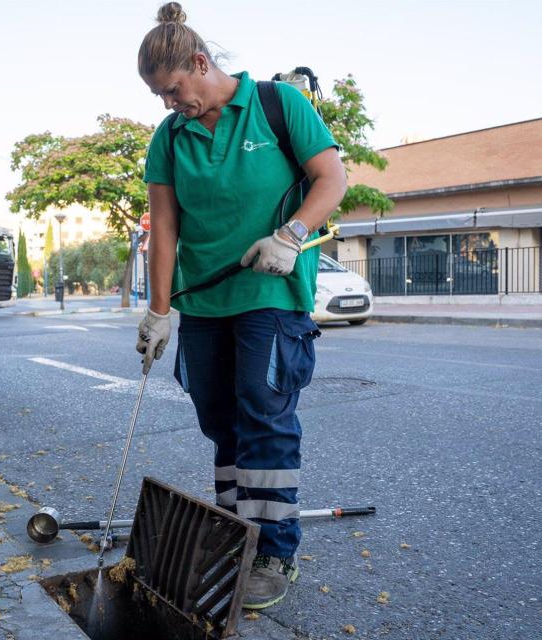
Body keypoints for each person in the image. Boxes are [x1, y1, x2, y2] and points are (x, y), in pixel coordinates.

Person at [135, 3, 347, 610]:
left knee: (263, 413)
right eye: (158, 96)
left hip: (269, 295)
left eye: (173, 90)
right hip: (203, 301)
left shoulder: (280, 105)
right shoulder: (170, 136)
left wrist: (291, 236)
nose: (169, 104)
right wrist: (158, 311)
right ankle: (236, 534)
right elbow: (166, 227)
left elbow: (332, 180)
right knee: (218, 418)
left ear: (200, 63)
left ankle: (274, 551)